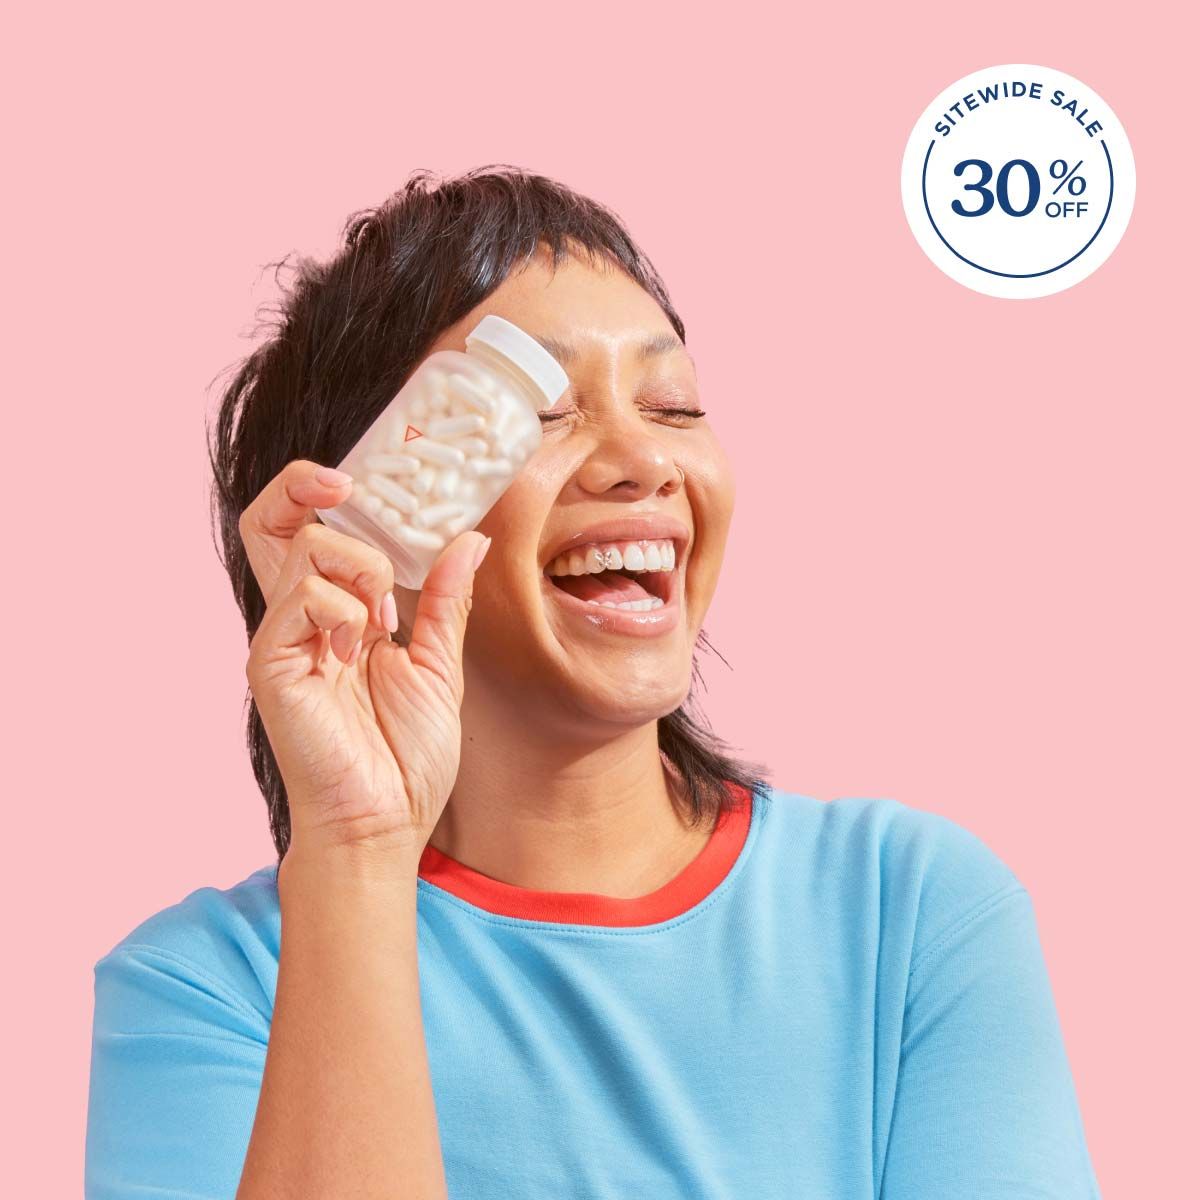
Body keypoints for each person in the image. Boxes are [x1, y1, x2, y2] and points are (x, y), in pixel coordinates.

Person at [84, 165, 1101, 1199]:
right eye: (536, 412)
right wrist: (354, 850)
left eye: (674, 405)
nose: (642, 462)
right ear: (363, 522)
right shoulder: (204, 991)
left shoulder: (910, 909)